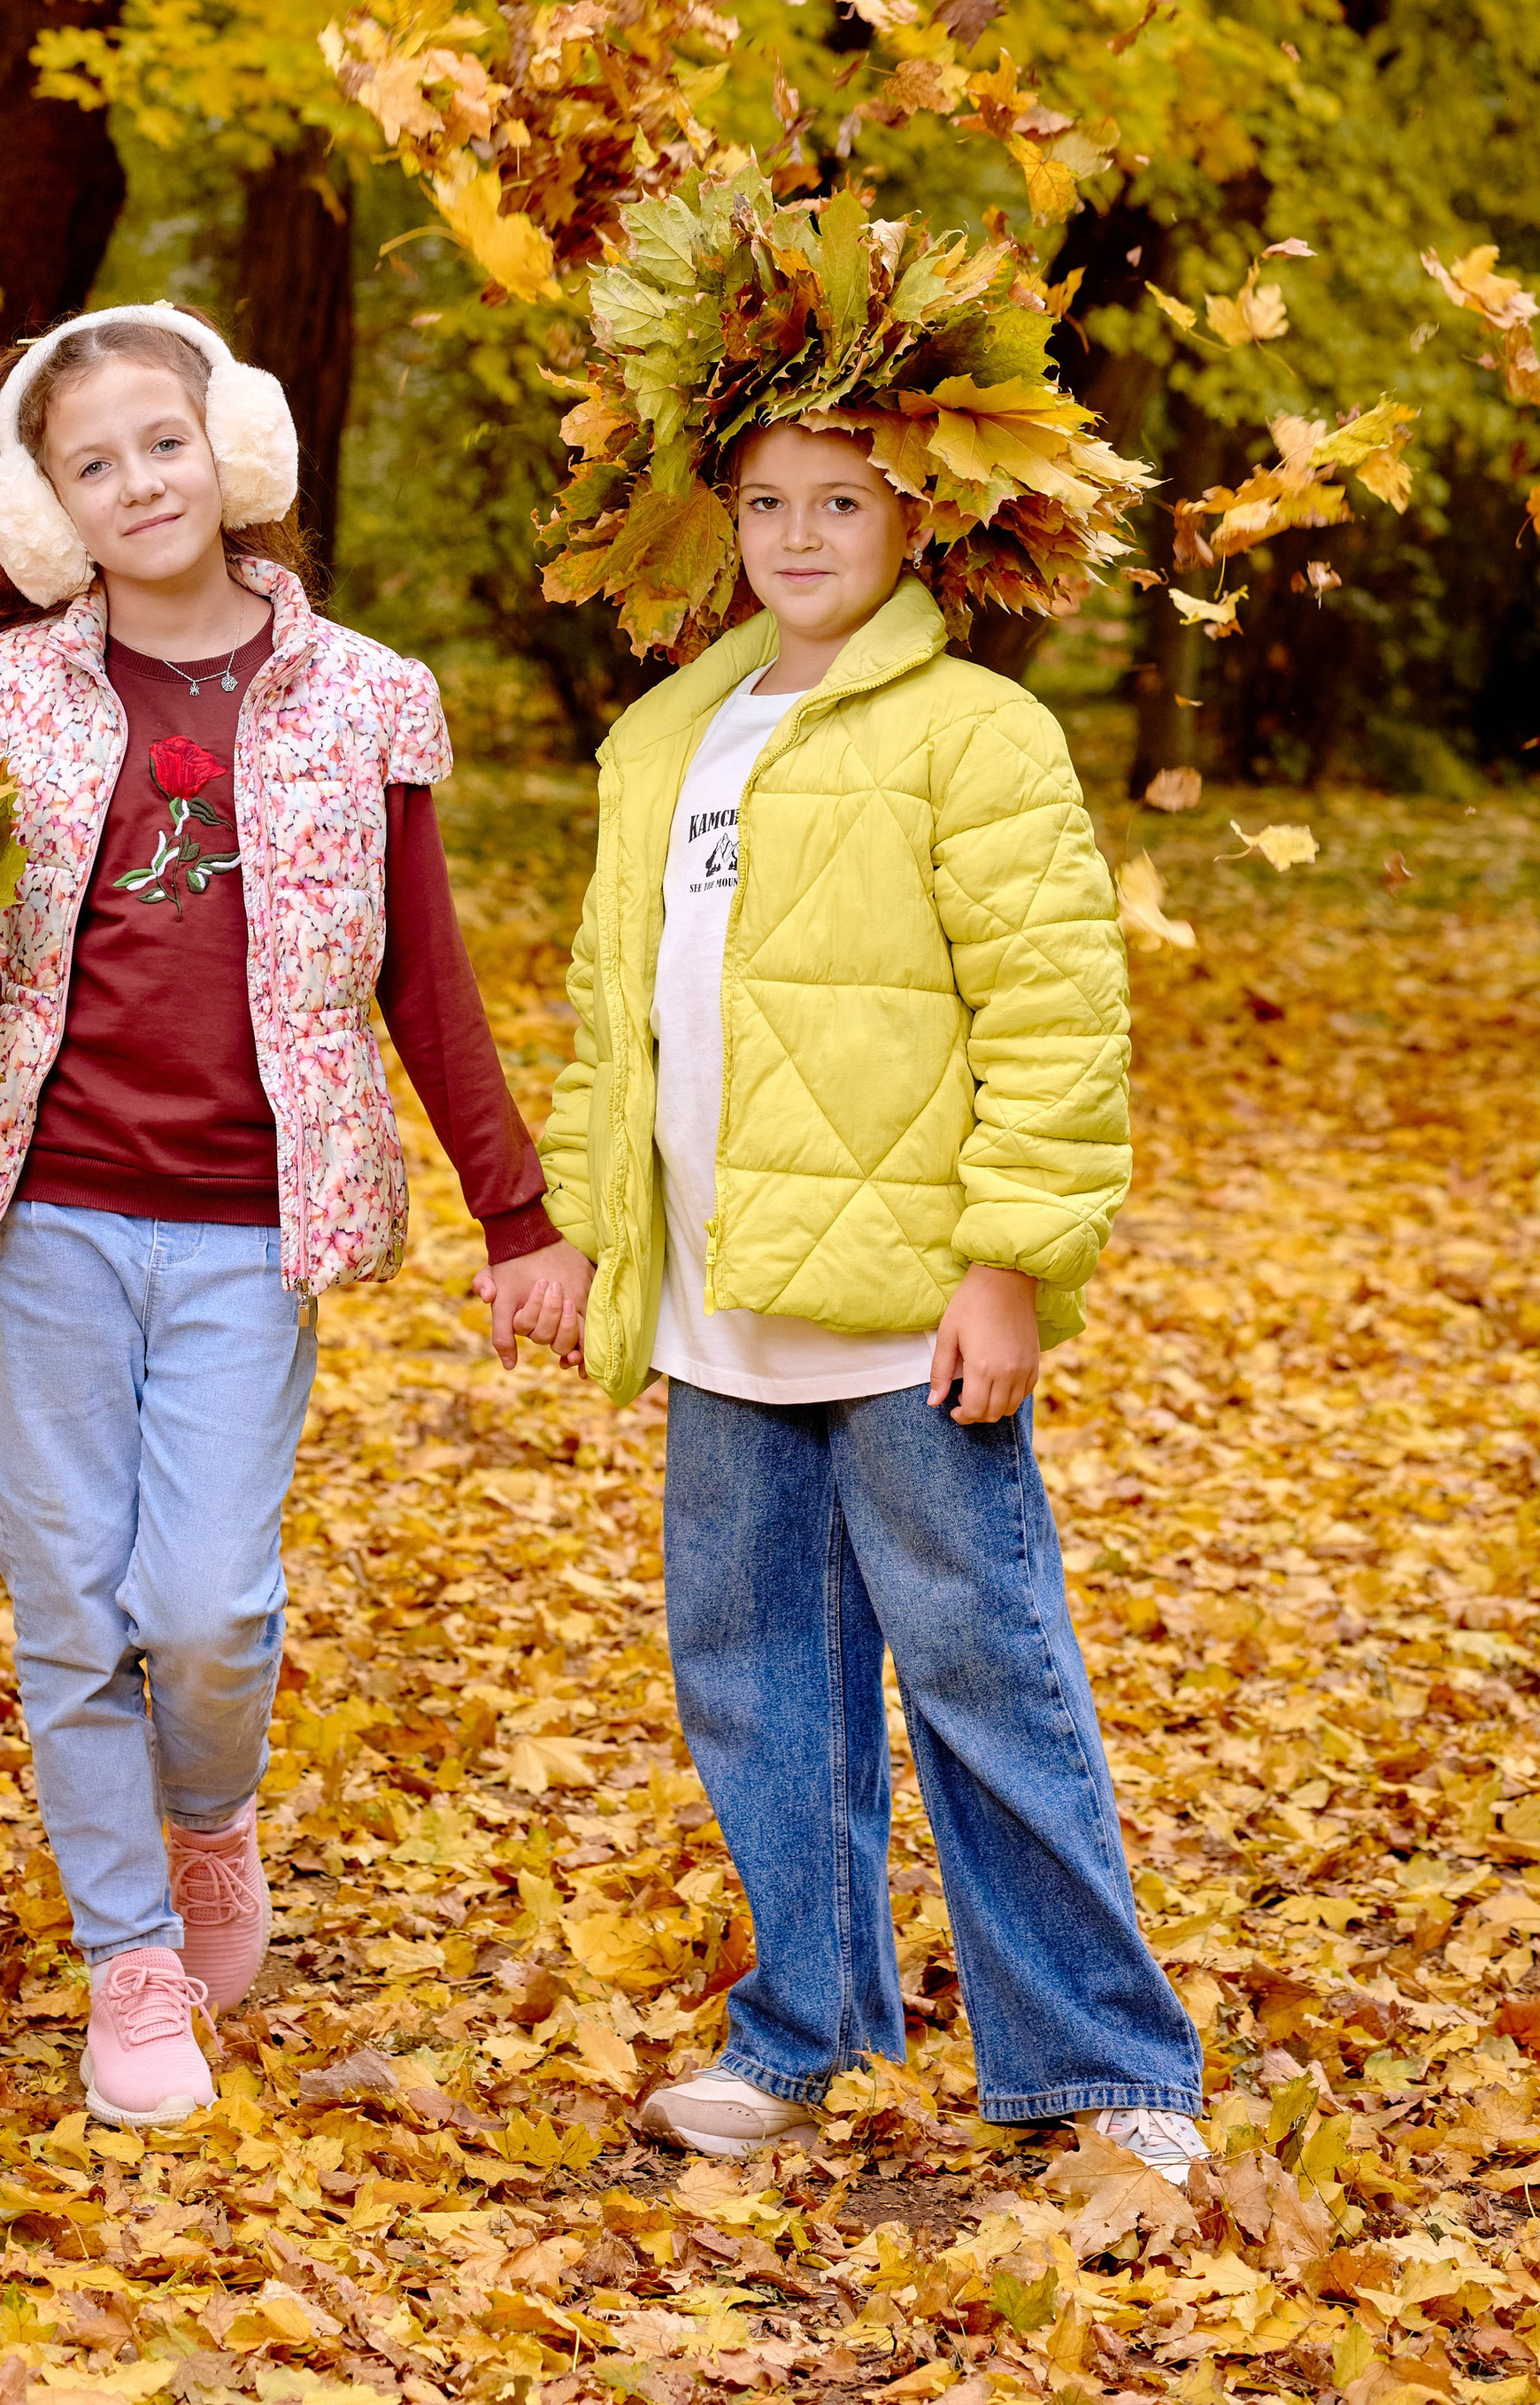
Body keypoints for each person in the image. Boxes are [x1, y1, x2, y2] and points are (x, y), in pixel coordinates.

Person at [531, 284, 1207, 2179]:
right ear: (724, 521)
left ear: (917, 520)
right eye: (765, 502)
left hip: (906, 1316)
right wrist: (597, 1234)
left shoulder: (974, 738)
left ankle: (1098, 2063)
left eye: (840, 500)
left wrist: (1010, 1266)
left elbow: (1055, 1017)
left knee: (980, 1669)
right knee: (755, 1683)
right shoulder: (666, 737)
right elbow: (615, 1017)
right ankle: (798, 2029)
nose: (799, 536)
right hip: (718, 1318)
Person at [0, 303, 588, 2129]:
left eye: (160, 442)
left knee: (198, 1603)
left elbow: (423, 977)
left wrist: (515, 1215)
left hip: (245, 1223)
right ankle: (127, 1958)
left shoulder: (365, 699)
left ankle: (206, 1820)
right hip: (38, 1208)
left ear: (238, 450)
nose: (134, 482)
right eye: (87, 463)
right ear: (40, 507)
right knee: (71, 1605)